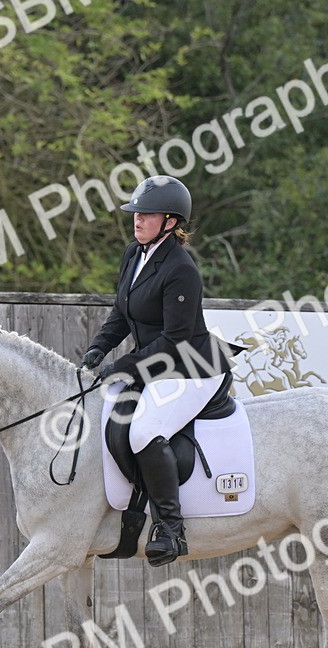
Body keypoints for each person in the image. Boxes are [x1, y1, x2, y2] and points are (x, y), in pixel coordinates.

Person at [81, 176, 238, 567]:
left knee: (147, 431)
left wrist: (124, 366)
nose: (137, 220)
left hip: (192, 367)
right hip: (155, 364)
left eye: (146, 215)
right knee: (111, 420)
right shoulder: (134, 254)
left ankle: (170, 527)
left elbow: (175, 340)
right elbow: (123, 311)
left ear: (170, 221)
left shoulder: (181, 269)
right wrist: (99, 348)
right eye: (136, 213)